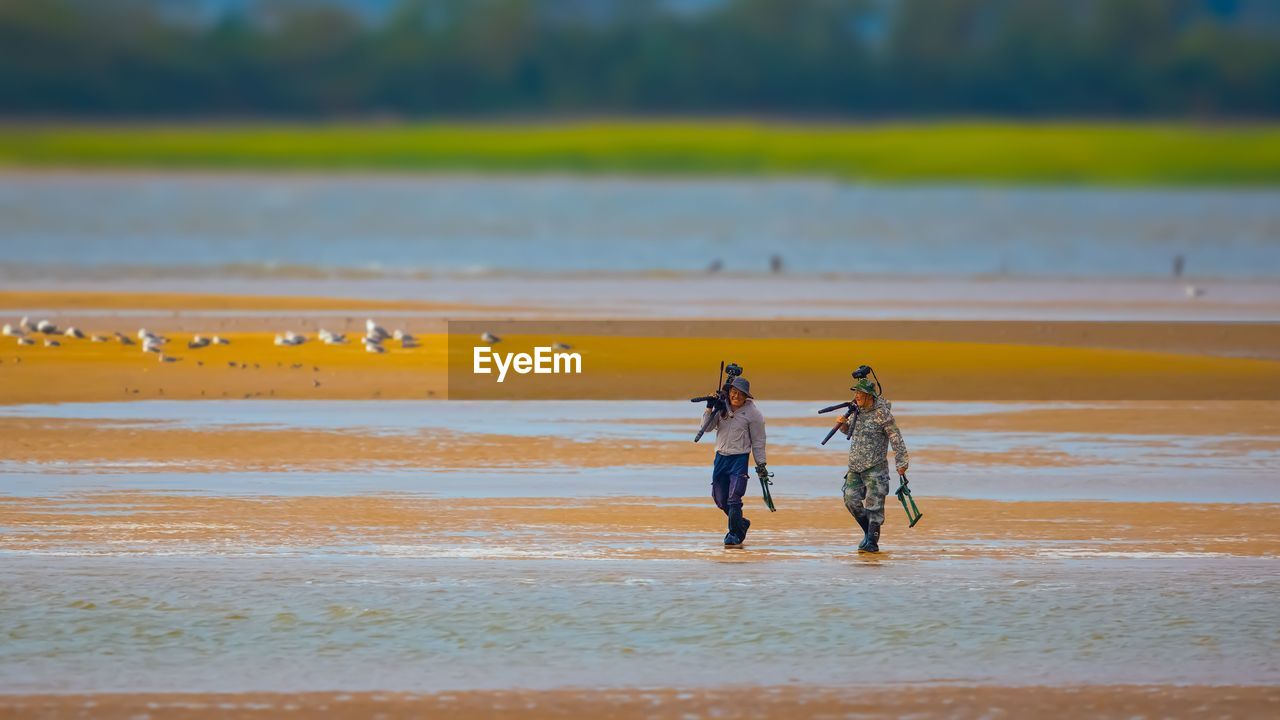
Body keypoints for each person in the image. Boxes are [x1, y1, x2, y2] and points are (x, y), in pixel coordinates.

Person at [834, 378, 908, 553]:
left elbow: (896, 438)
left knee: (874, 506)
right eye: (856, 393)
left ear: (869, 396)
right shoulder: (856, 411)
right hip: (855, 467)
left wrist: (902, 461)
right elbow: (849, 432)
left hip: (876, 466)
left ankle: (872, 542)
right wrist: (843, 425)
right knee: (850, 500)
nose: (856, 396)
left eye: (860, 393)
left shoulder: (882, 414)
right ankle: (868, 533)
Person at [699, 376, 769, 547]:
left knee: (734, 498)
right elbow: (706, 428)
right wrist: (710, 407)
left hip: (739, 458)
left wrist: (761, 464)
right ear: (729, 392)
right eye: (733, 392)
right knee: (720, 499)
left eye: (740, 394)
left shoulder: (754, 415)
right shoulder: (721, 407)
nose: (736, 396)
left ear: (746, 397)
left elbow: (759, 441)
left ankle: (734, 534)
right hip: (721, 458)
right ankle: (741, 524)